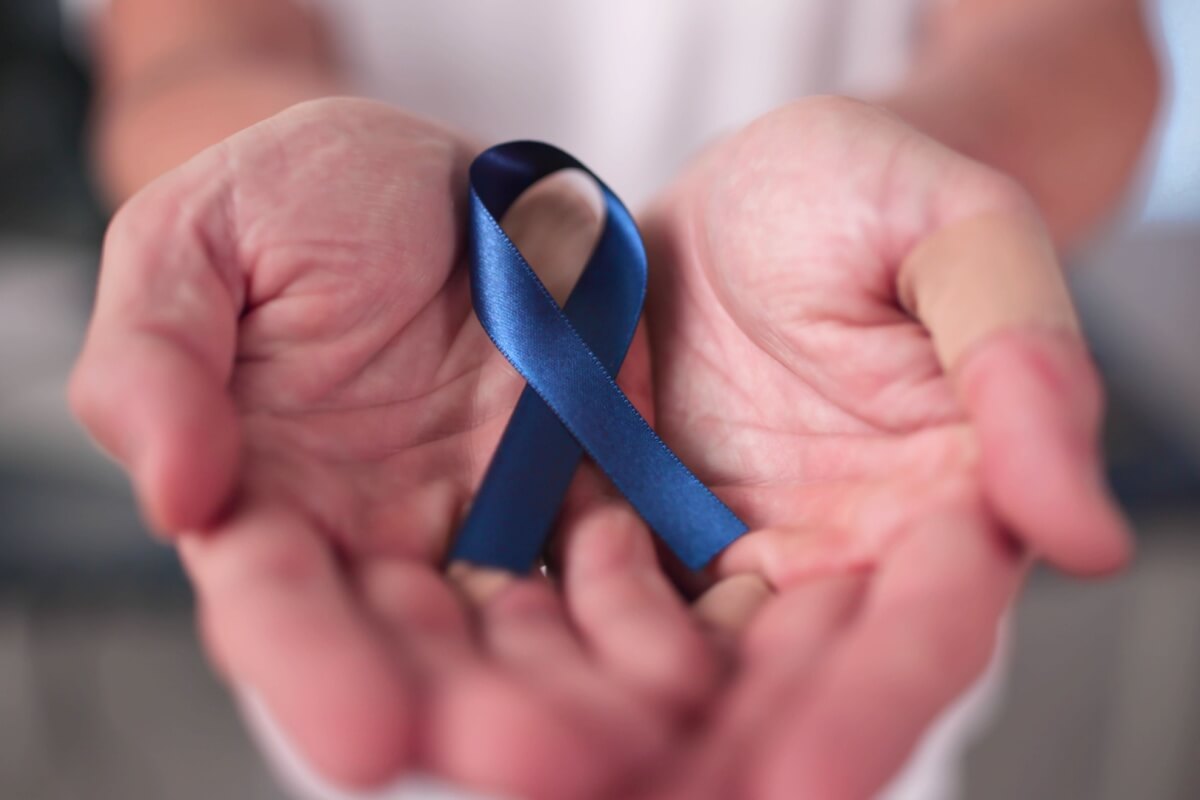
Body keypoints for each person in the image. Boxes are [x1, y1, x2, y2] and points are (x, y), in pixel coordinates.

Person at [67, 1, 1160, 798]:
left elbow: (1082, 44)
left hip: (838, 608)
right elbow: (186, 52)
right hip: (387, 619)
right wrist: (249, 169)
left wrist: (934, 174)